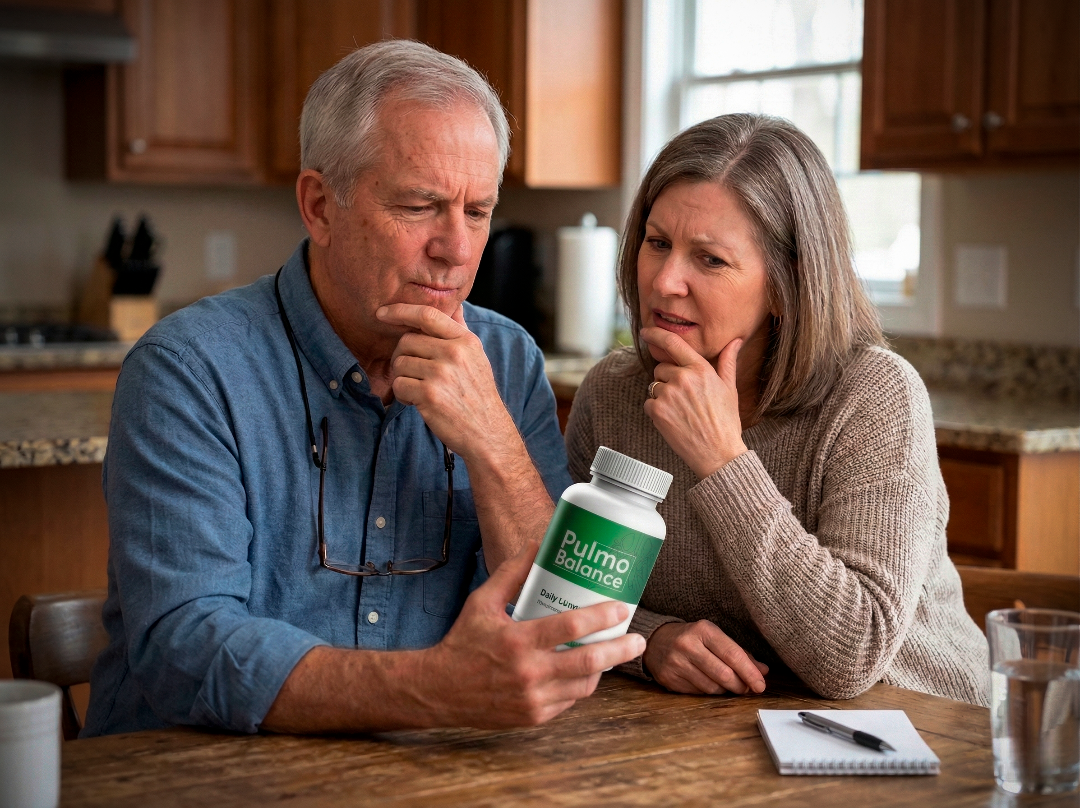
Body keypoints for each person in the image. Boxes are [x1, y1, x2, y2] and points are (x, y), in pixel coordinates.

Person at [84, 40, 644, 737]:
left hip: (428, 770)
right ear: (320, 206)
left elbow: (565, 634)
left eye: (477, 211)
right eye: (419, 205)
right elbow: (185, 649)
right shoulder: (187, 369)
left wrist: (495, 444)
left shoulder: (506, 359)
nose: (456, 249)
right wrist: (433, 691)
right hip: (199, 770)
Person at [565, 114, 990, 706]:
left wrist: (722, 460)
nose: (664, 282)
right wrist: (648, 642)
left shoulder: (876, 397)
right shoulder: (612, 394)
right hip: (717, 726)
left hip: (918, 725)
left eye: (710, 260)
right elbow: (569, 595)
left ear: (787, 285)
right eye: (657, 243)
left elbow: (851, 657)